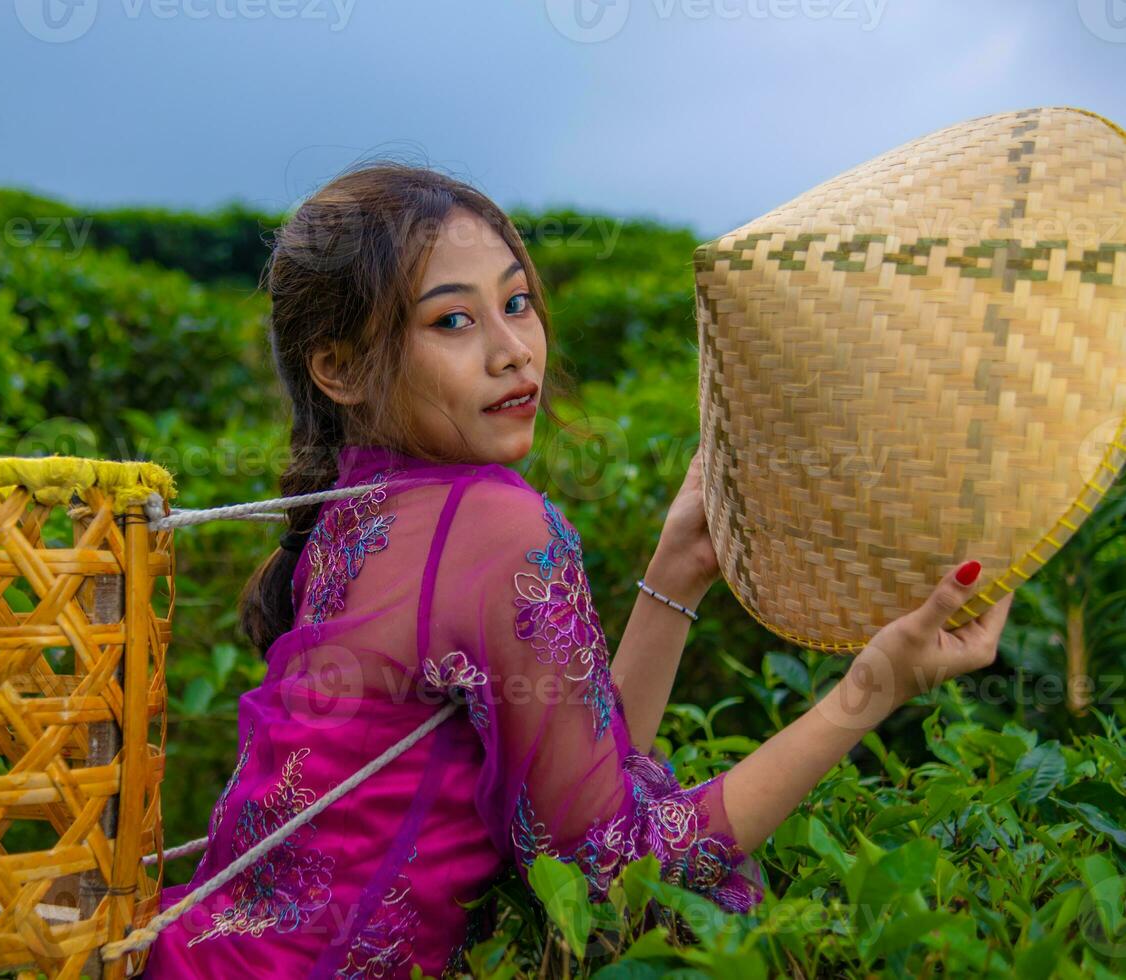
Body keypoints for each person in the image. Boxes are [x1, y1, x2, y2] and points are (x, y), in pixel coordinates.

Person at [135, 163, 1014, 978]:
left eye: (517, 304)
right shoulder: (494, 522)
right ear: (338, 368)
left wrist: (680, 568)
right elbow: (609, 864)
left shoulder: (352, 509)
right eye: (453, 320)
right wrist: (871, 688)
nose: (513, 350)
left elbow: (565, 778)